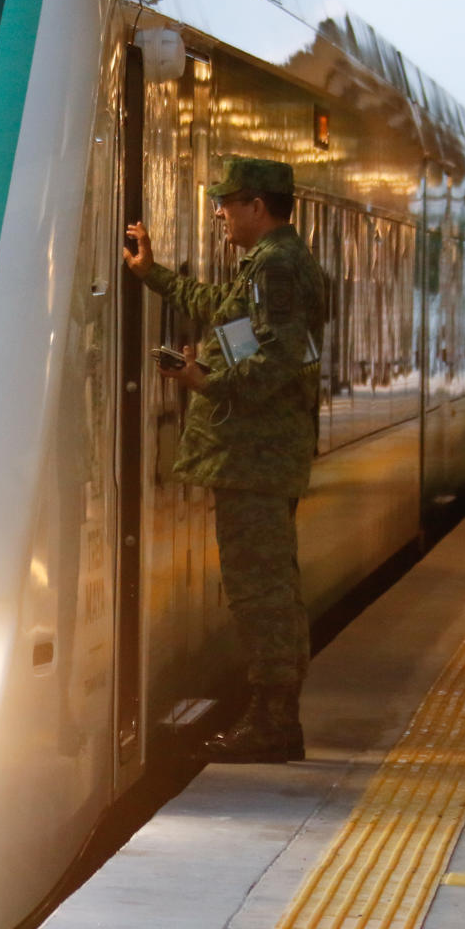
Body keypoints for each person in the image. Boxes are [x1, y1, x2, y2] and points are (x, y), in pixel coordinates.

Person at [122, 156, 327, 764]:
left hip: (253, 456)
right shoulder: (268, 263)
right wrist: (153, 274)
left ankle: (274, 724)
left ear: (256, 207)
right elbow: (224, 309)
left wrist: (204, 382)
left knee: (259, 590)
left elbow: (280, 357)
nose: (218, 212)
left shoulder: (278, 266)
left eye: (226, 202)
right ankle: (273, 716)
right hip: (254, 453)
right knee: (268, 586)